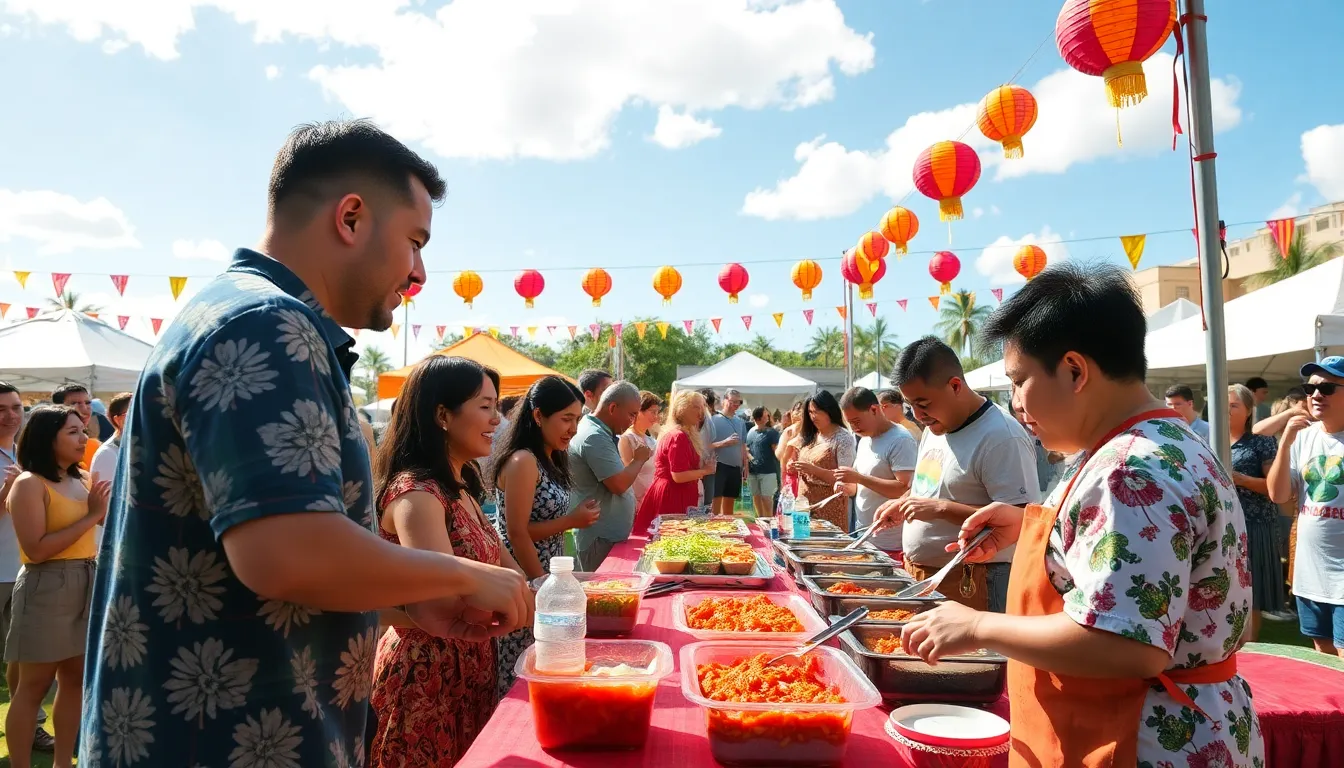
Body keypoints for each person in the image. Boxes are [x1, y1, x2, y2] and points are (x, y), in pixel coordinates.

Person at [80, 120, 532, 766]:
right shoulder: (266, 323)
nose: (419, 273)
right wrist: (460, 573)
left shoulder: (248, 313)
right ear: (351, 218)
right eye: (414, 241)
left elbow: (269, 569)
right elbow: (287, 552)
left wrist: (408, 604)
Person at [901, 262, 1262, 767]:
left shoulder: (1129, 470)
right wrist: (1029, 528)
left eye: (1019, 380)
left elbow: (1126, 643)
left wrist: (978, 626)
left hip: (1143, 736)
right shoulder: (1161, 440)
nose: (1016, 402)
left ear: (1074, 370)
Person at [370, 357, 531, 765]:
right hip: (425, 675)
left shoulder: (461, 488)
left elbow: (509, 571)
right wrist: (510, 599)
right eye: (485, 406)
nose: (497, 419)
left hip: (469, 665)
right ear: (443, 415)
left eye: (496, 406)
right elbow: (442, 600)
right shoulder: (418, 494)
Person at [877, 337, 1038, 612]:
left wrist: (941, 509)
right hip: (921, 575)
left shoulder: (1002, 436)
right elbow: (926, 488)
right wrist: (903, 503)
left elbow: (1023, 520)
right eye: (910, 405)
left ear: (955, 386)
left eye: (924, 403)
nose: (917, 415)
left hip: (973, 581)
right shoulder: (934, 428)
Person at [5, 406, 110, 767]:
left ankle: (64, 762)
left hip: (86, 581)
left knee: (75, 681)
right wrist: (93, 516)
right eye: (73, 432)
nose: (84, 438)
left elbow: (103, 523)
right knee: (32, 687)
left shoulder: (83, 479)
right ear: (48, 438)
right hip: (46, 586)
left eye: (83, 430)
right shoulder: (29, 484)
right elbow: (36, 550)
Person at [493, 376, 598, 696]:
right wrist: (541, 588)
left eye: (577, 420)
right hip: (525, 579)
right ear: (538, 416)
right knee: (523, 676)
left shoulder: (549, 457)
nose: (573, 429)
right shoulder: (523, 460)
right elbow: (516, 532)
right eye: (566, 419)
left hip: (546, 579)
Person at [1268, 357, 1344, 657]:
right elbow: (1278, 495)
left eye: (1327, 388)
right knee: (1322, 657)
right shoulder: (1303, 438)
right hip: (1310, 575)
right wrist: (1285, 443)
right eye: (1310, 389)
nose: (1316, 395)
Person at [0, 383, 55, 755]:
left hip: (24, 570)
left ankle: (31, 727)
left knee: (25, 658)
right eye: (1, 409)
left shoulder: (25, 452)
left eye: (16, 407)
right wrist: (10, 490)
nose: (11, 415)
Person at [569, 381, 650, 570]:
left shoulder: (600, 432)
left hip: (606, 537)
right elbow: (618, 484)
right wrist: (639, 459)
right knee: (602, 587)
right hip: (600, 538)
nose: (633, 421)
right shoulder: (594, 436)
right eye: (631, 414)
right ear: (613, 408)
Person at [1227, 384, 1283, 642]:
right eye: (1223, 405)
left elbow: (1275, 489)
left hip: (1255, 524)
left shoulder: (1262, 442)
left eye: (1234, 405)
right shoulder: (1209, 440)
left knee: (1252, 591)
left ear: (1248, 410)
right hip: (1223, 524)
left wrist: (1240, 479)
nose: (1227, 410)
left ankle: (1249, 647)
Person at [835, 388, 916, 554]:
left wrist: (859, 478)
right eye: (850, 423)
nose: (854, 427)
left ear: (874, 409)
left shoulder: (901, 440)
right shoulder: (865, 440)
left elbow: (904, 489)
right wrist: (847, 487)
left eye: (857, 421)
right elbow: (859, 486)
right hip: (863, 534)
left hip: (890, 542)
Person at [635, 391, 715, 533]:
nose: (701, 411)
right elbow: (678, 475)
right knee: (672, 538)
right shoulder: (678, 436)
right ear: (682, 409)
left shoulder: (680, 433)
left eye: (703, 406)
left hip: (675, 493)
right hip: (673, 496)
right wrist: (706, 471)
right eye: (696, 407)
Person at [787, 391, 856, 532]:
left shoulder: (843, 438)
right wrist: (793, 466)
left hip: (829, 507)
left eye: (817, 412)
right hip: (804, 504)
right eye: (810, 412)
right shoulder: (810, 435)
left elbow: (846, 480)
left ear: (829, 410)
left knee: (826, 544)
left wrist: (814, 470)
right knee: (802, 540)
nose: (813, 416)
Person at [89, 392, 130, 550]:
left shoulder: (133, 450)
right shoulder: (108, 454)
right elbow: (105, 511)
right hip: (118, 543)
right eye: (134, 413)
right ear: (118, 420)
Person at [619, 391, 662, 511]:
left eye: (657, 412)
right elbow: (628, 473)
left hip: (654, 499)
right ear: (639, 411)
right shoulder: (627, 438)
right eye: (653, 412)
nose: (656, 417)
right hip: (638, 503)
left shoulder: (650, 439)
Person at [711, 388, 751, 516]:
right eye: (732, 401)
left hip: (735, 467)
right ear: (724, 401)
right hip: (718, 466)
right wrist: (724, 442)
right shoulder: (713, 420)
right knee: (715, 503)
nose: (735, 404)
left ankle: (728, 526)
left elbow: (743, 445)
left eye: (738, 402)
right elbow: (705, 445)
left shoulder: (740, 422)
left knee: (730, 504)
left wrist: (745, 465)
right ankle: (713, 525)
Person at [50, 385, 98, 469]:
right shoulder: (47, 446)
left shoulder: (95, 445)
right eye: (74, 403)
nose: (84, 408)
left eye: (87, 402)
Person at [746, 407, 781, 518]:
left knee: (766, 498)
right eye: (766, 415)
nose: (768, 417)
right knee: (756, 497)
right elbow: (747, 449)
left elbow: (777, 452)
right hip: (753, 471)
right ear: (759, 418)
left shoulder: (772, 433)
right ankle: (760, 520)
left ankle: (769, 521)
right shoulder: (750, 432)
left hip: (769, 471)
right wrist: (750, 461)